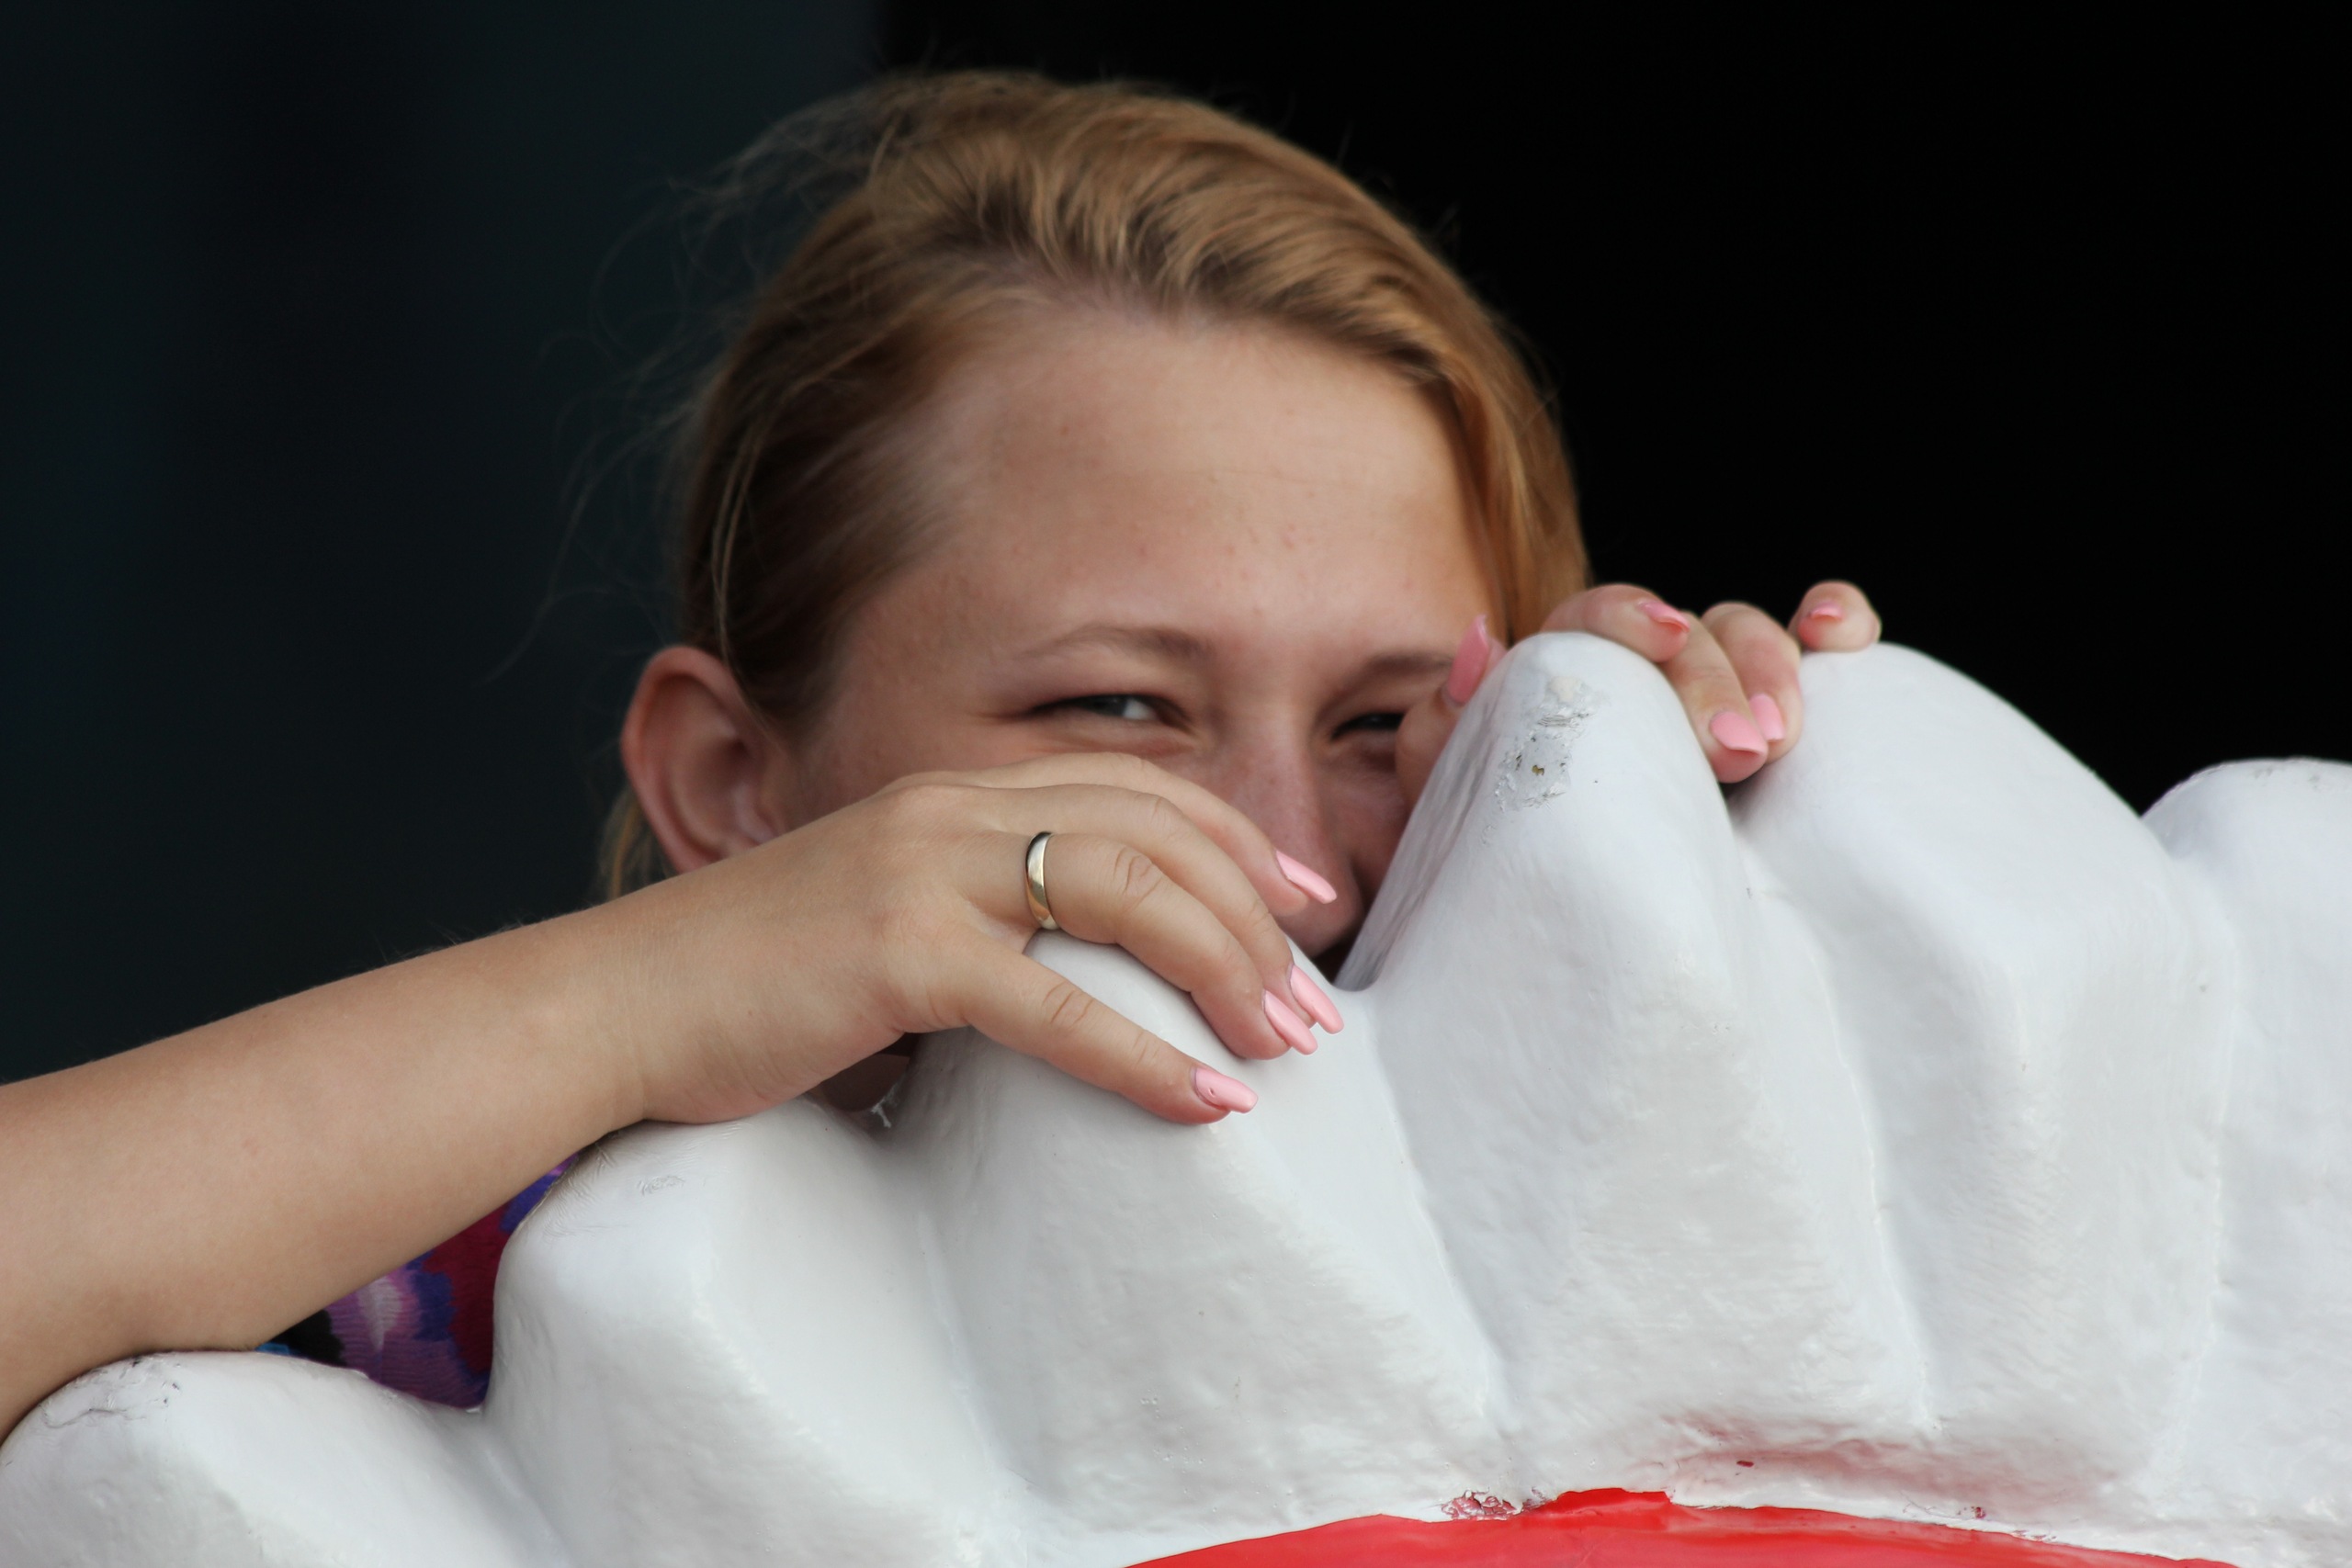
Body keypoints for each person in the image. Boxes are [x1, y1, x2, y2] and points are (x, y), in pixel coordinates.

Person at [0, 72, 1879, 1433]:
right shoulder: (462, 1332)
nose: (1282, 858)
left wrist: (1732, 865)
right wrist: (638, 996)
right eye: (1119, 708)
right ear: (730, 783)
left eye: (1386, 725)